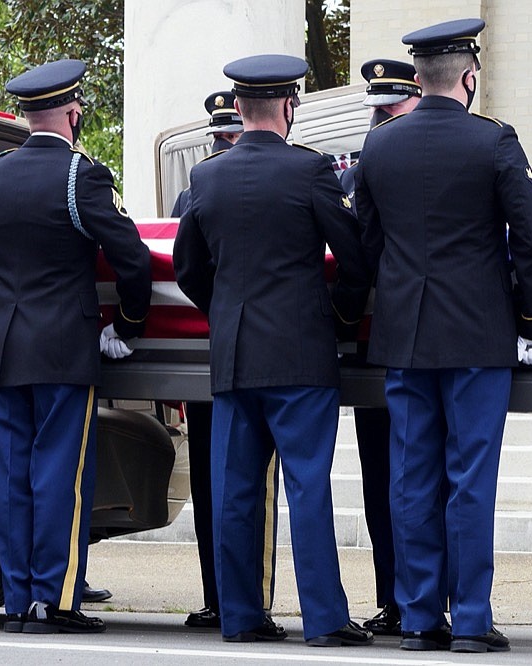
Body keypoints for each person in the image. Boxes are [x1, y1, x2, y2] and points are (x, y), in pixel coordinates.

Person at [353, 18, 532, 653]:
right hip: (476, 337)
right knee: (471, 477)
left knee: (412, 476)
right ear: (468, 78)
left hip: (405, 337)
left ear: (417, 79)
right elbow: (530, 239)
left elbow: (366, 246)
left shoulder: (379, 148)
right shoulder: (494, 143)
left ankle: (418, 618)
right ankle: (470, 618)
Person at [173, 54, 374, 647]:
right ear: (290, 107)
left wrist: (224, 309)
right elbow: (354, 256)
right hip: (300, 354)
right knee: (308, 486)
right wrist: (338, 313)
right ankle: (324, 620)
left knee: (235, 492)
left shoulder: (207, 178)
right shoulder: (311, 172)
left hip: (235, 356)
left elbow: (187, 268)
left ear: (237, 109)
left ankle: (240, 616)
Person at [0, 59, 152, 634]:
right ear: (73, 113)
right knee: (59, 475)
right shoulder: (81, 176)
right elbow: (132, 257)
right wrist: (127, 323)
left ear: (27, 116)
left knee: (13, 474)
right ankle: (57, 596)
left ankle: (19, 600)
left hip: (5, 344)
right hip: (63, 349)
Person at [169, 91, 280, 632]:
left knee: (246, 485)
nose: (223, 148)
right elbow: (179, 259)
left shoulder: (228, 183)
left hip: (237, 347)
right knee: (214, 486)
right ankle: (220, 595)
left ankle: (247, 598)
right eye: (218, 140)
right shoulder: (198, 188)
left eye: (229, 137)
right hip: (213, 352)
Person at [337, 57, 422, 638]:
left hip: (424, 345)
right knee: (380, 483)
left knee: (425, 479)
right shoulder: (352, 174)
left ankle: (426, 599)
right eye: (377, 110)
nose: (381, 119)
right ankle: (393, 598)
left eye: (391, 109)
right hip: (374, 348)